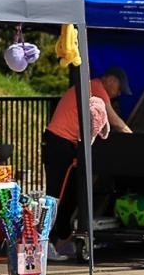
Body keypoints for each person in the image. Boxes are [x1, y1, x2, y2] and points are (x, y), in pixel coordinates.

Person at [44, 67, 134, 260]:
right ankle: (44, 243)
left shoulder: (92, 87)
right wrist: (132, 137)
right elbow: (113, 120)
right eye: (119, 88)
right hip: (61, 143)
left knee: (71, 193)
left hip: (64, 143)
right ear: (110, 79)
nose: (118, 93)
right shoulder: (96, 87)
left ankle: (62, 239)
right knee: (56, 194)